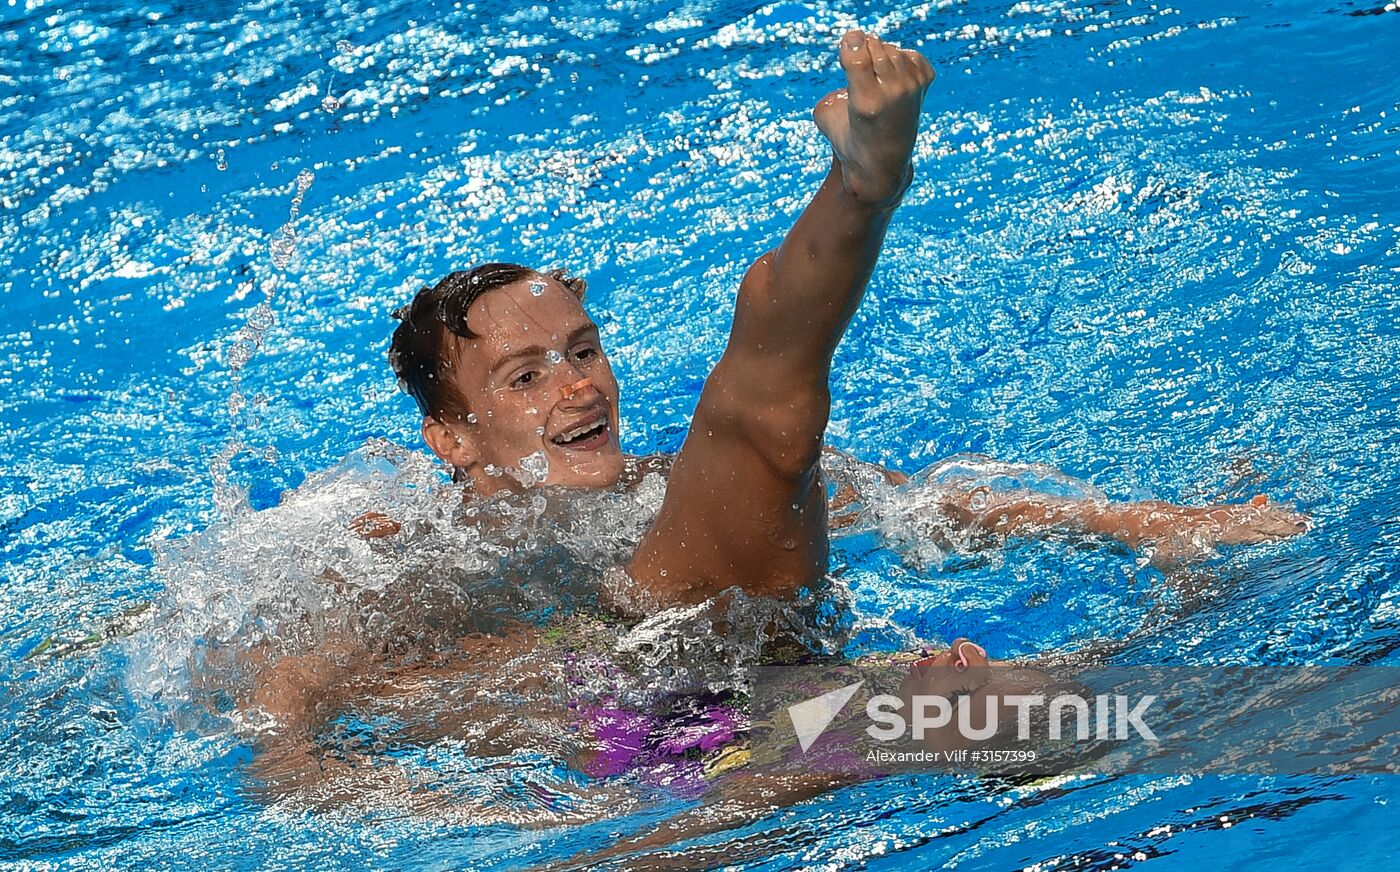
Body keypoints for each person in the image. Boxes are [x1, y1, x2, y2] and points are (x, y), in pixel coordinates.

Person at [247, 28, 1307, 824]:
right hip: (648, 759)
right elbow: (284, 731)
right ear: (453, 437)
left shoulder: (664, 485)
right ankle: (863, 186)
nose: (578, 388)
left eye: (583, 350)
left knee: (1032, 692)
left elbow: (926, 508)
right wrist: (491, 818)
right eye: (525, 376)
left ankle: (862, 186)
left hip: (780, 711)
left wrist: (1144, 521)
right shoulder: (403, 554)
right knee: (763, 431)